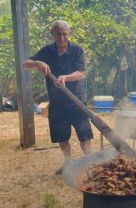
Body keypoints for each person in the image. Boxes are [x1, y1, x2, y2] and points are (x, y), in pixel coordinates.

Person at [23, 20, 93, 175]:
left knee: (84, 135)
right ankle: (68, 162)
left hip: (76, 101)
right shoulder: (47, 51)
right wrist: (37, 62)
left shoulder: (77, 50)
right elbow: (25, 64)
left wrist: (66, 77)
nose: (61, 38)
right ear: (52, 34)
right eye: (58, 34)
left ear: (69, 34)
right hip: (57, 102)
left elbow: (81, 73)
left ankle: (90, 164)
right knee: (61, 136)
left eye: (64, 34)